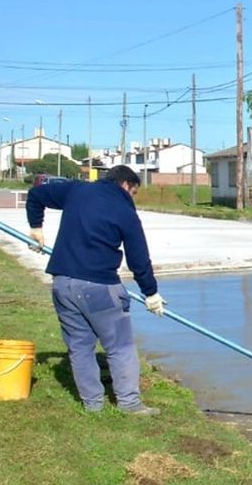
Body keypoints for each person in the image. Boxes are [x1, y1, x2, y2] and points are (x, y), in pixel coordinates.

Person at [26, 165, 166, 416]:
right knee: (120, 346)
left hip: (63, 284)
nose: (132, 198)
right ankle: (130, 404)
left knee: (79, 346)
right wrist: (151, 293)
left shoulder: (77, 190)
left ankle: (93, 406)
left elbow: (36, 195)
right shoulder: (125, 211)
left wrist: (36, 227)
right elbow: (139, 259)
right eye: (133, 192)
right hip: (99, 288)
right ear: (126, 185)